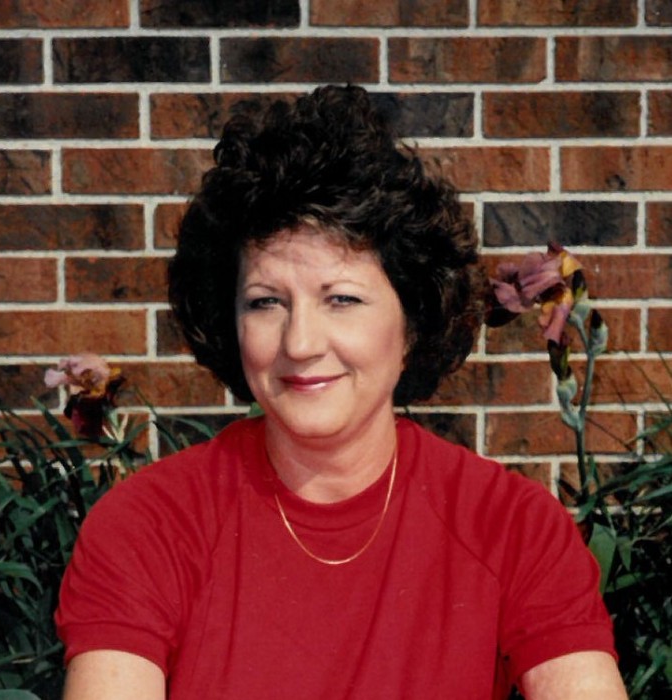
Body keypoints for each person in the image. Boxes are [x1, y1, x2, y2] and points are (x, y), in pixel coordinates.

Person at [56, 85, 628, 699]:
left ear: (412, 322)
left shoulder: (510, 526)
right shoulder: (147, 526)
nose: (300, 342)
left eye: (343, 299)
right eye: (266, 302)